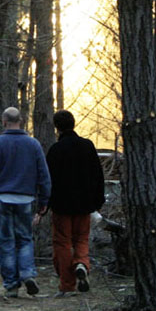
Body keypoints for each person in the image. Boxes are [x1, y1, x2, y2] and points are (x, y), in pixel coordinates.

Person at [0, 107, 52, 298]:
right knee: (25, 239)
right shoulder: (33, 145)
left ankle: (11, 285)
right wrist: (44, 200)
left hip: (2, 198)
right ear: (22, 120)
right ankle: (27, 273)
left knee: (5, 242)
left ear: (4, 121)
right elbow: (44, 175)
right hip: (25, 198)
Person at [45, 110, 105, 296]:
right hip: (84, 205)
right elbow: (98, 175)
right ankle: (81, 264)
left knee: (62, 244)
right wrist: (97, 201)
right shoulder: (87, 146)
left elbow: (48, 180)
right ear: (74, 123)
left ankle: (67, 285)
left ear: (57, 127)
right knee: (81, 239)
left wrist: (45, 204)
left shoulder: (55, 150)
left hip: (62, 206)